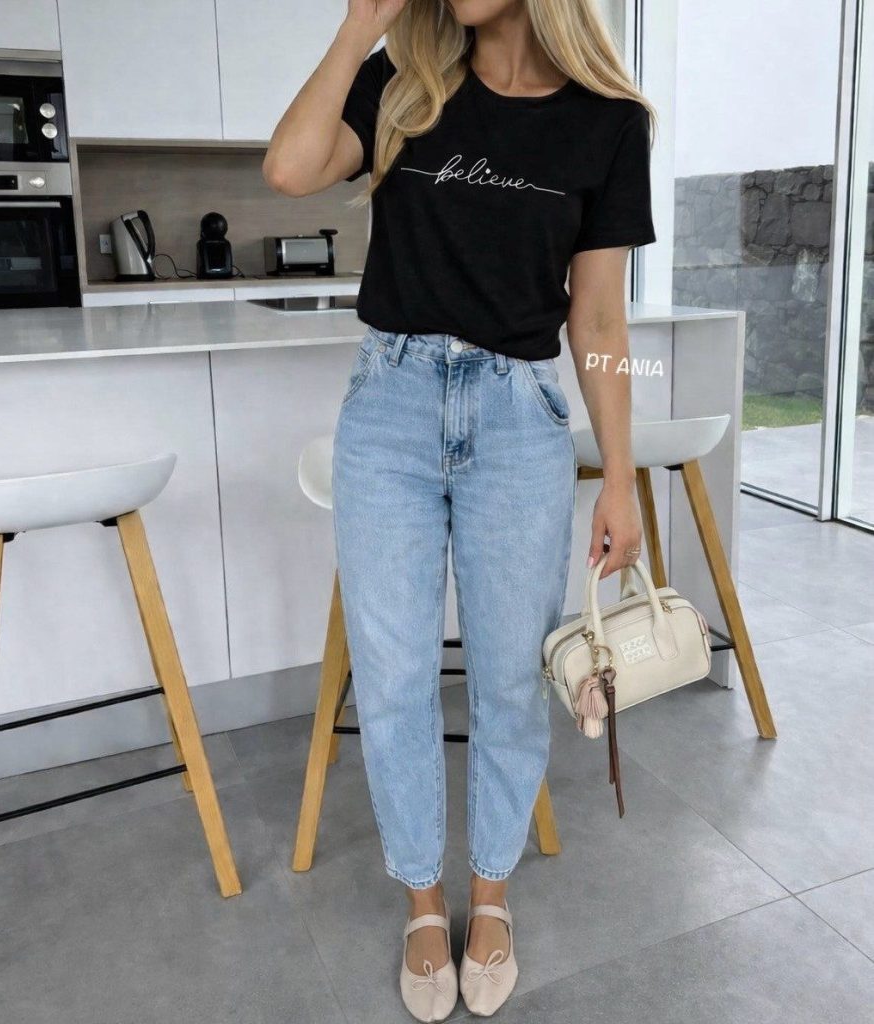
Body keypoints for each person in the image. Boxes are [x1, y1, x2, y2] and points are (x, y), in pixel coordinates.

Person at [264, 0, 656, 1018]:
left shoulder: (609, 122)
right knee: (394, 680)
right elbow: (289, 169)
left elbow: (600, 318)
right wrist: (358, 25)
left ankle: (489, 899)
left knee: (509, 684)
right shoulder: (402, 83)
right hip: (389, 407)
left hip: (519, 417)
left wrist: (618, 476)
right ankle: (421, 906)